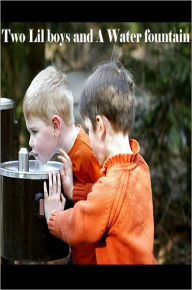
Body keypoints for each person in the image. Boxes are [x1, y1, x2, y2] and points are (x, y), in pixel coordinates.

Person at [43, 61, 157, 264]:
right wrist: (75, 192)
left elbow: (79, 225)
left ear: (100, 126)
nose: (87, 136)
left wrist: (54, 215)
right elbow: (111, 204)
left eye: (87, 128)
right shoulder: (140, 167)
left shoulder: (111, 188)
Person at [23, 66, 102, 264]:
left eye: (34, 131)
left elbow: (109, 199)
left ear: (56, 125)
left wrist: (75, 191)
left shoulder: (85, 152)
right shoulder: (66, 153)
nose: (30, 142)